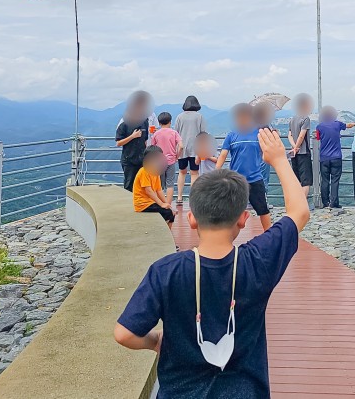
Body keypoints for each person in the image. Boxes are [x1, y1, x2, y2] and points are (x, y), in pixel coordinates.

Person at [115, 128, 310, 397]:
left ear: (192, 219)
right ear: (243, 219)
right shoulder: (257, 261)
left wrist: (156, 340)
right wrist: (278, 160)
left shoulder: (166, 271)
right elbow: (299, 212)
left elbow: (124, 334)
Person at [216, 103, 272, 231]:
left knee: (263, 209)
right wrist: (216, 173)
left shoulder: (258, 133)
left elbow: (268, 150)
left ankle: (269, 234)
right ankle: (225, 237)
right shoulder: (231, 136)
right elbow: (223, 155)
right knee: (230, 212)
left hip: (255, 179)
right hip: (236, 181)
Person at [314, 106, 354, 209]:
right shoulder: (337, 124)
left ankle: (325, 202)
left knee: (325, 180)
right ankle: (334, 202)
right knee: (335, 180)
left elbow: (317, 138)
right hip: (336, 157)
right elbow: (347, 125)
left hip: (324, 157)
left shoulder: (319, 126)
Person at [116, 91, 153, 191]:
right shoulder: (124, 124)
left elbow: (145, 141)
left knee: (142, 185)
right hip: (129, 160)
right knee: (129, 185)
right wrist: (132, 136)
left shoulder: (145, 122)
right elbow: (118, 143)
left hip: (141, 159)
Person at [132, 146, 175, 227]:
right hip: (143, 204)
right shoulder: (144, 171)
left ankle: (167, 234)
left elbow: (159, 190)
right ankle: (164, 234)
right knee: (168, 213)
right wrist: (161, 204)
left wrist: (166, 203)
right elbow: (149, 191)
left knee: (170, 212)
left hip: (150, 202)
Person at [174, 96, 206, 205]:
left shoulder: (179, 117)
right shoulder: (199, 117)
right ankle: (193, 198)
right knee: (194, 173)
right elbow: (203, 134)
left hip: (182, 148)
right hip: (195, 149)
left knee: (182, 172)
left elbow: (176, 133)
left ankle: (179, 198)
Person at [150, 112, 183, 204]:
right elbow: (181, 146)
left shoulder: (156, 134)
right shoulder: (174, 133)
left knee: (159, 185)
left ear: (159, 123)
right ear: (170, 122)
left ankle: (160, 204)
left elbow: (152, 148)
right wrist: (177, 155)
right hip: (171, 161)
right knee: (170, 184)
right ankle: (168, 205)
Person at [287, 94, 314, 200]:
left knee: (297, 179)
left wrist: (294, 147)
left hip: (294, 154)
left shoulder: (292, 119)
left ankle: (297, 201)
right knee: (306, 180)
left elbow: (290, 135)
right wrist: (297, 147)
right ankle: (302, 203)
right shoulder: (305, 119)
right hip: (303, 152)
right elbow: (302, 135)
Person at [252, 102, 277, 196]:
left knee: (255, 179)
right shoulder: (264, 125)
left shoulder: (252, 124)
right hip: (263, 154)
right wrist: (274, 133)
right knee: (264, 178)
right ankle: (264, 200)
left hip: (254, 156)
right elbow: (270, 139)